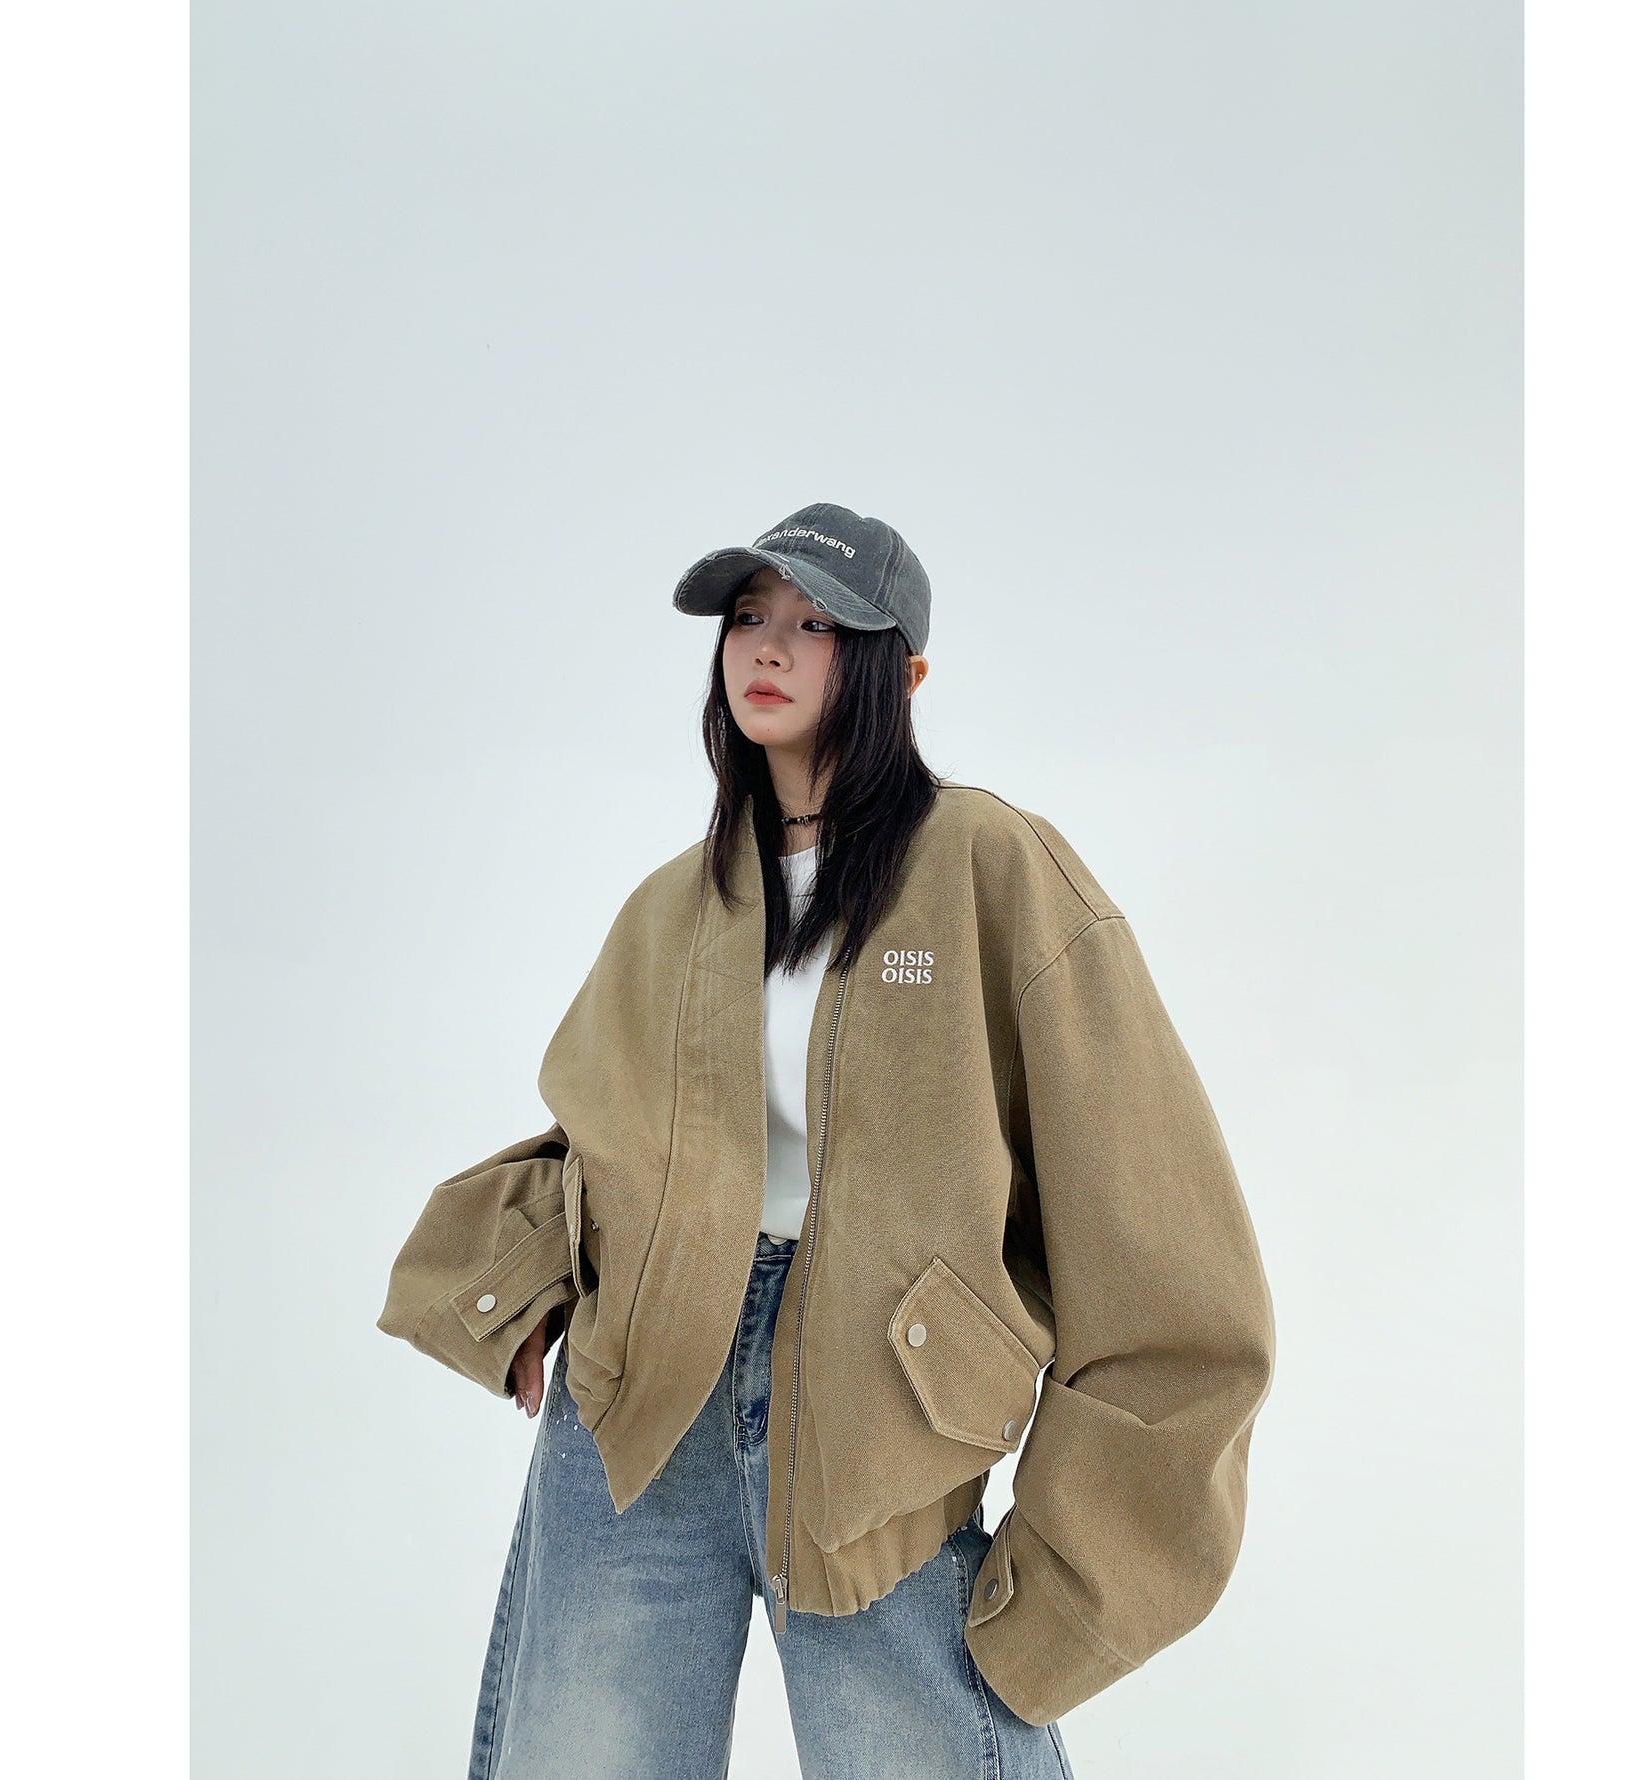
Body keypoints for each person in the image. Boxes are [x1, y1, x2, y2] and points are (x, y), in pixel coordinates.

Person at [377, 502, 1277, 1780]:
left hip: (880, 1424)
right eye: (749, 616)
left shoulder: (990, 865)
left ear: (900, 673)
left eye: (815, 624)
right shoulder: (672, 904)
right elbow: (603, 1142)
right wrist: (522, 1279)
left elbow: (1162, 1241)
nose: (768, 645)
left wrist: (1070, 1591)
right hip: (641, 1405)